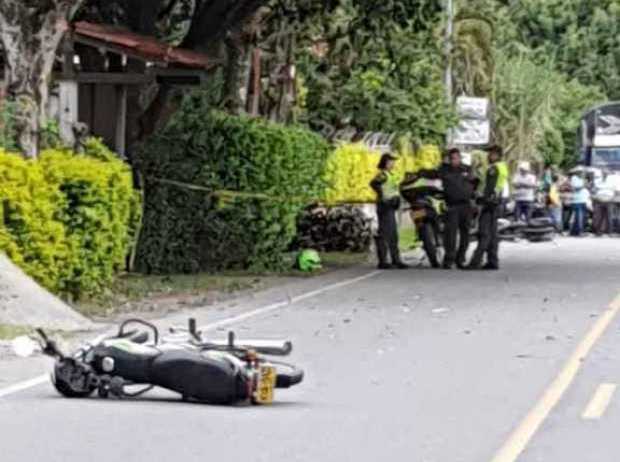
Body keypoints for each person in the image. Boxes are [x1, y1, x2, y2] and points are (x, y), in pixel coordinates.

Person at [420, 148, 476, 269]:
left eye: (456, 158)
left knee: (465, 234)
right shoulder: (444, 170)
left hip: (466, 205)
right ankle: (449, 259)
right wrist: (420, 172)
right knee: (450, 234)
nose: (454, 160)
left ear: (460, 158)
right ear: (449, 159)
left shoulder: (467, 169)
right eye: (452, 158)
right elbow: (431, 174)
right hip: (452, 205)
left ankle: (460, 259)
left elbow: (474, 183)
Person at [468, 145, 509, 270]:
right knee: (492, 234)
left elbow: (490, 188)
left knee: (484, 233)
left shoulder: (494, 169)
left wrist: (481, 199)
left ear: (496, 154)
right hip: (496, 203)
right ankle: (492, 261)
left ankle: (475, 262)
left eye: (490, 154)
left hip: (489, 204)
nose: (488, 156)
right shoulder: (502, 167)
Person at [370, 154, 409, 270]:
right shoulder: (382, 175)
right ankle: (383, 261)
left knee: (393, 234)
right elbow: (373, 184)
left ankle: (395, 259)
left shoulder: (391, 175)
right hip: (385, 207)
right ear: (385, 163)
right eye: (391, 161)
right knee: (385, 233)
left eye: (393, 161)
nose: (393, 163)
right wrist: (383, 197)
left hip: (391, 207)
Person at [592, 170, 615, 235]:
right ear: (602, 174)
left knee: (609, 217)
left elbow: (615, 190)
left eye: (606, 173)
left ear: (608, 174)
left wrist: (612, 197)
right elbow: (593, 190)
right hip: (599, 200)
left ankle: (610, 232)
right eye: (604, 173)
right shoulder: (597, 181)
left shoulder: (611, 181)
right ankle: (598, 231)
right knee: (598, 217)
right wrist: (595, 196)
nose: (605, 174)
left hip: (608, 200)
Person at [569, 169, 588, 236]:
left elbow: (585, 188)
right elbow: (575, 188)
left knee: (582, 217)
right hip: (577, 200)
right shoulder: (574, 178)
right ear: (578, 173)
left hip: (584, 200)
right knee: (579, 216)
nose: (582, 174)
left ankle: (574, 231)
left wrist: (585, 183)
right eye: (581, 172)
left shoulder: (583, 180)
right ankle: (580, 232)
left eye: (583, 172)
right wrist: (584, 184)